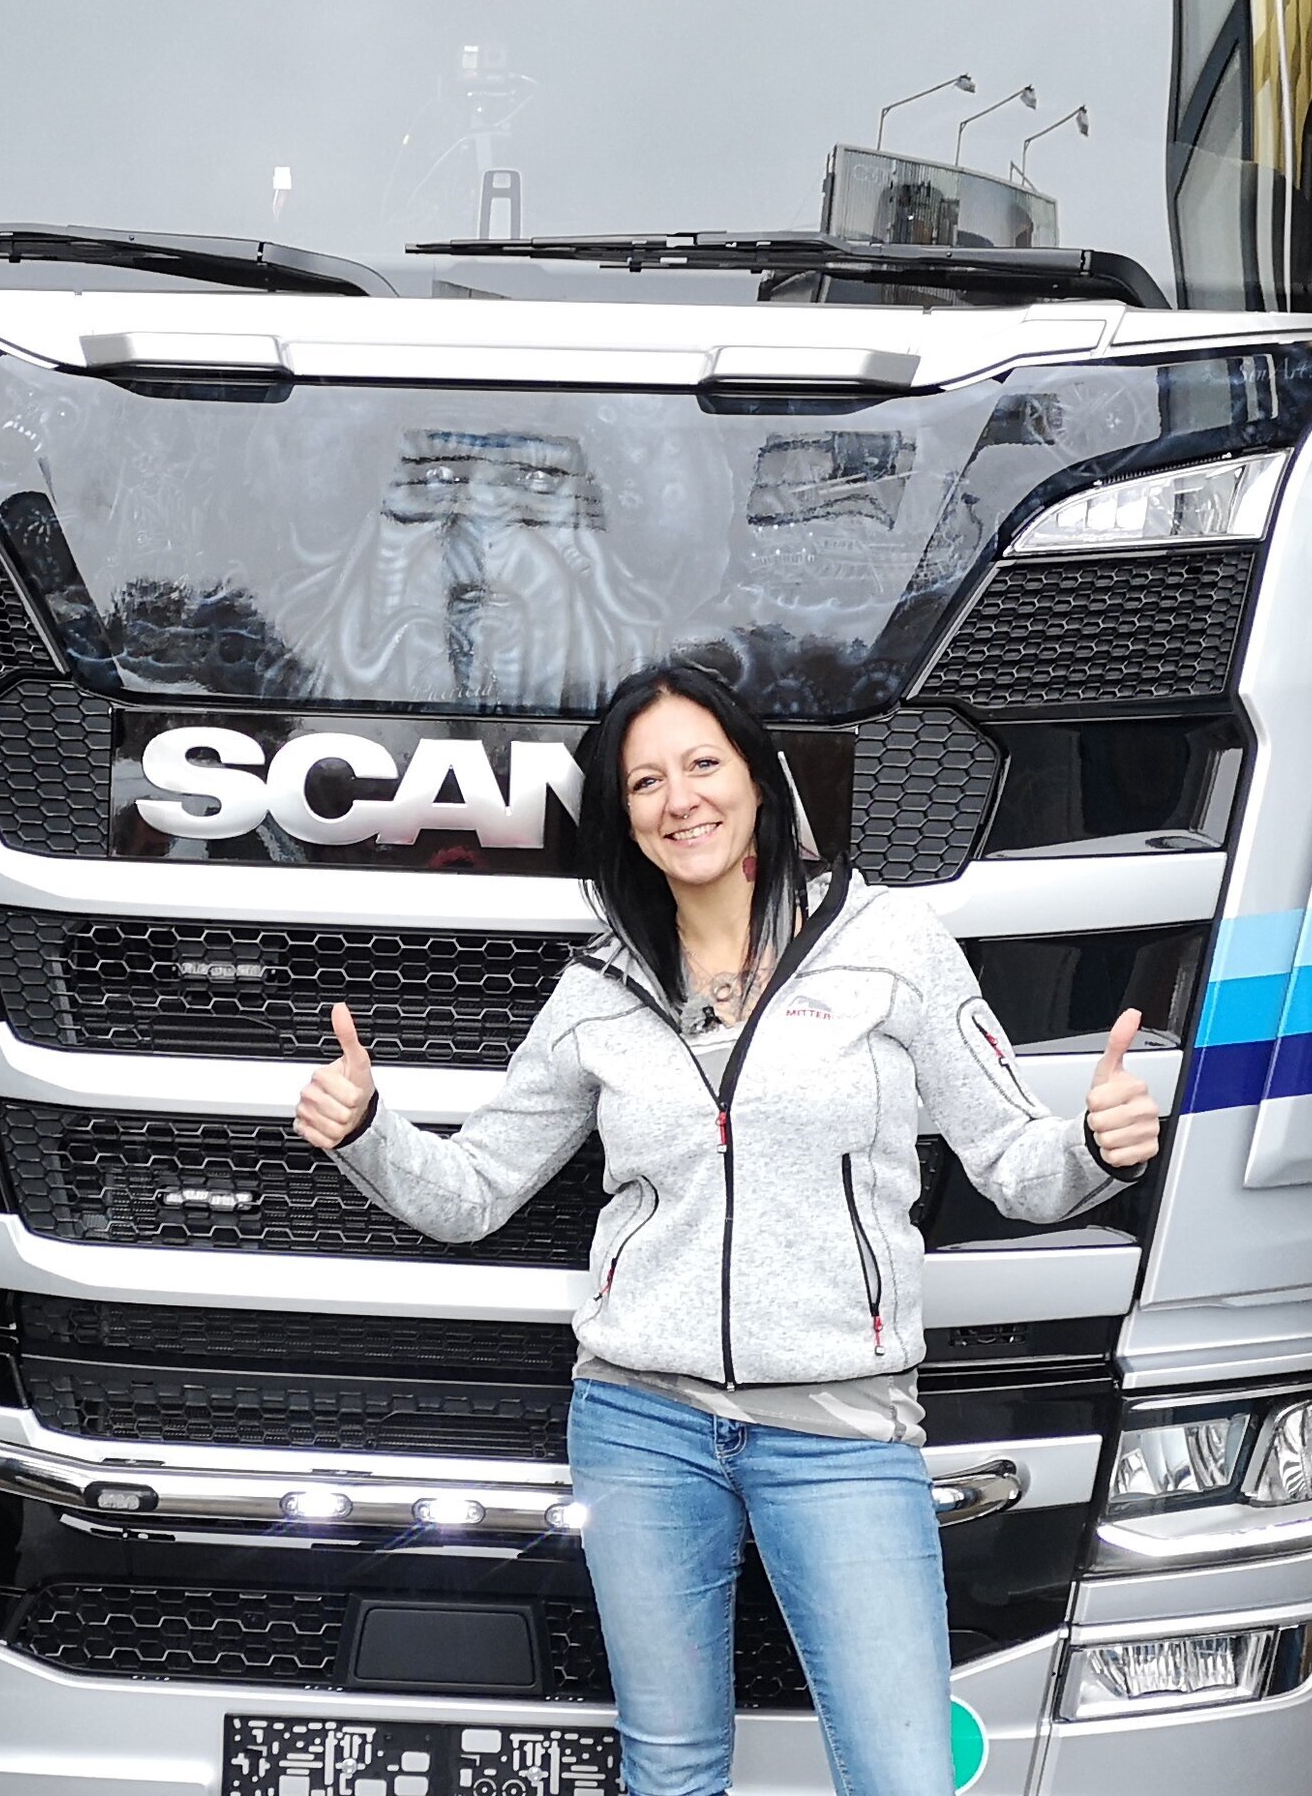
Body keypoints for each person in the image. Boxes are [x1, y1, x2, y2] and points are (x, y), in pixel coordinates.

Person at [294, 661, 1161, 1796]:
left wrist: (1096, 1144)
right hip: (641, 1427)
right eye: (645, 781)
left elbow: (1016, 1169)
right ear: (625, 819)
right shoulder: (599, 989)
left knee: (904, 1775)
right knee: (673, 1771)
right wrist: (367, 1128)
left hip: (843, 1432)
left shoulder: (890, 943)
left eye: (703, 763)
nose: (680, 798)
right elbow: (475, 1191)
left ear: (759, 779)